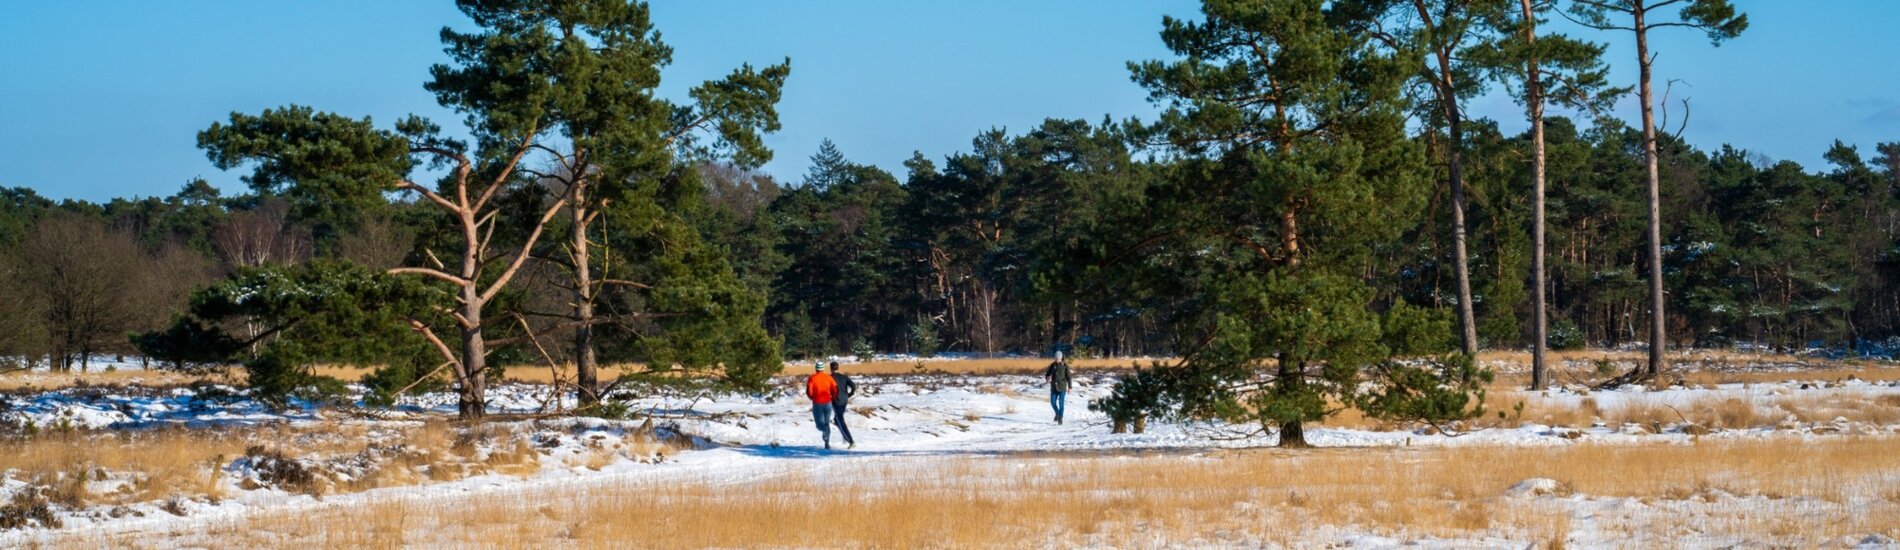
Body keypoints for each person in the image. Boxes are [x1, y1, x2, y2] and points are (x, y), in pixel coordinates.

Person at [805, 361, 838, 449]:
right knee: (826, 423)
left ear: (816, 368)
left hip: (817, 404)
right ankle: (827, 441)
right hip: (828, 403)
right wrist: (833, 398)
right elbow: (835, 389)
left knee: (819, 425)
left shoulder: (812, 378)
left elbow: (809, 391)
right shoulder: (829, 377)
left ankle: (826, 438)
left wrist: (812, 397)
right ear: (823, 369)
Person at [828, 361, 858, 449]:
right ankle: (845, 437)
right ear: (838, 368)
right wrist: (849, 394)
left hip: (836, 401)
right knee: (837, 420)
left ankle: (851, 441)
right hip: (844, 400)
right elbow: (853, 386)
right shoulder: (844, 377)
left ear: (830, 368)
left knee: (840, 420)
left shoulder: (829, 378)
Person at [1044, 351, 1072, 424]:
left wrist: (1070, 387)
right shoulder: (1052, 365)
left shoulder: (1065, 365)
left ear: (1061, 358)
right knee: (1053, 403)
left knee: (1061, 403)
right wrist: (1047, 379)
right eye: (1056, 358)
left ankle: (1060, 418)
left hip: (1062, 387)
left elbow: (1069, 377)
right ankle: (1057, 413)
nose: (1057, 359)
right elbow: (1047, 374)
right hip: (1053, 387)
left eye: (1058, 358)